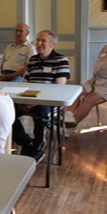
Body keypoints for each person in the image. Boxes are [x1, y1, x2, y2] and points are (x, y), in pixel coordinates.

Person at [12, 30, 70, 162]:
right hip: (31, 98)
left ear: (53, 44)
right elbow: (25, 83)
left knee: (40, 112)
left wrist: (36, 101)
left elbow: (58, 89)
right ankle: (26, 142)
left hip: (50, 101)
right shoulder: (33, 60)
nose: (39, 43)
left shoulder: (60, 60)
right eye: (38, 40)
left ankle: (37, 148)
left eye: (43, 41)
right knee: (8, 109)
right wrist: (23, 99)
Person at [65, 24, 107, 127]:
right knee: (75, 91)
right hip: (96, 80)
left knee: (90, 99)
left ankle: (68, 126)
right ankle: (68, 118)